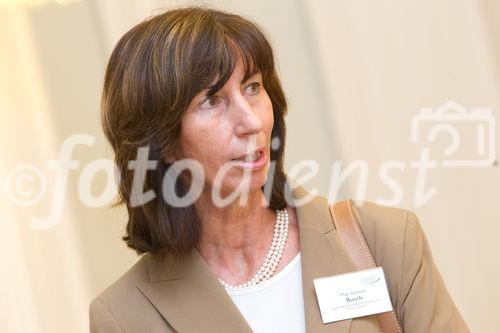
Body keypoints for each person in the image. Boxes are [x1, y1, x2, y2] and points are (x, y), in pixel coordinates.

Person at [89, 6, 469, 333]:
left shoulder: (385, 239)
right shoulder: (125, 316)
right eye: (212, 100)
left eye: (253, 88)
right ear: (163, 143)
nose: (250, 120)